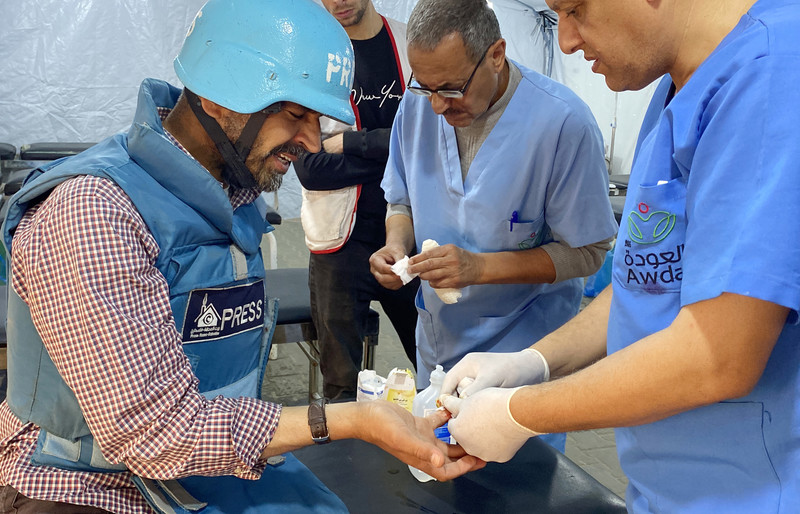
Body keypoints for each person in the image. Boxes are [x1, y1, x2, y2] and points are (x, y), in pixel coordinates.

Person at [0, 0, 483, 512]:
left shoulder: (231, 191)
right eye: (296, 113)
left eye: (317, 119)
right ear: (221, 97)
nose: (311, 141)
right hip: (82, 482)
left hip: (202, 465)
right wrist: (348, 420)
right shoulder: (94, 215)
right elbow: (152, 432)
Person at [438, 0, 800, 511]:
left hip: (752, 492)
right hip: (666, 486)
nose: (565, 40)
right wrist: (533, 362)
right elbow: (647, 283)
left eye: (576, 9)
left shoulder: (772, 76)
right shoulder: (676, 84)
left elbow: (721, 355)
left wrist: (520, 412)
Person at [369, 0, 618, 451]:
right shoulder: (416, 108)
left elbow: (588, 252)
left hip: (520, 353)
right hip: (440, 345)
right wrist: (394, 244)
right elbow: (400, 197)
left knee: (519, 488)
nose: (439, 106)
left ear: (496, 54)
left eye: (451, 87)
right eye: (426, 87)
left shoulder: (562, 124)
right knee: (438, 470)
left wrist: (480, 268)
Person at [294, 0, 419, 401]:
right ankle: (343, 457)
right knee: (339, 385)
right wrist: (395, 157)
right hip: (338, 243)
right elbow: (310, 167)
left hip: (409, 237)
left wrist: (349, 143)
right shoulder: (310, 56)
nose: (338, 3)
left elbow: (427, 140)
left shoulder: (409, 43)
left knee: (436, 362)